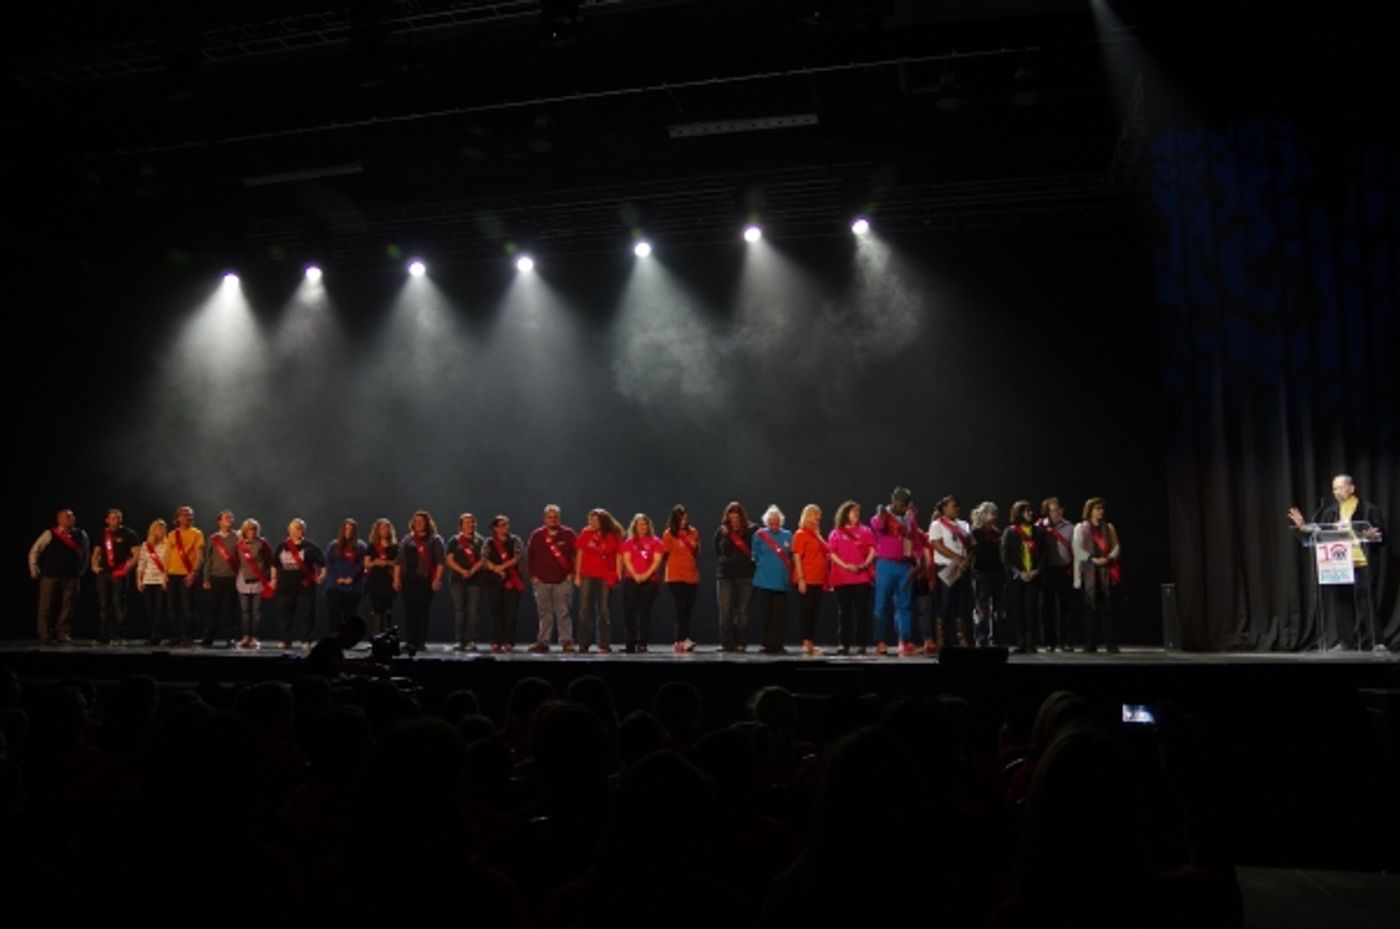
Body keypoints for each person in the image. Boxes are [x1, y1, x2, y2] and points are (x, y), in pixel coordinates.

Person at [1289, 473, 1386, 650]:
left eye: (1340, 488)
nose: (1336, 492)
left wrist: (1374, 535)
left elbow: (1383, 535)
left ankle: (1377, 642)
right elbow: (1320, 533)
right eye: (1334, 489)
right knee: (1341, 603)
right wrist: (1303, 526)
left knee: (1367, 603)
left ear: (1351, 488)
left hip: (1362, 562)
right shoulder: (1330, 512)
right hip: (1340, 562)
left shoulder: (1368, 509)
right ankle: (1346, 642)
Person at [871, 486, 926, 657]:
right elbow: (878, 526)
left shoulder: (909, 521)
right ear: (893, 500)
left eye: (905, 505)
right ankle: (880, 641)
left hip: (905, 567)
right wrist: (881, 516)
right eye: (900, 504)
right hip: (885, 565)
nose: (902, 508)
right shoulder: (882, 516)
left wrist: (918, 563)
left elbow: (917, 544)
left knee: (904, 606)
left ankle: (904, 641)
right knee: (881, 604)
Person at [28, 508, 90, 645]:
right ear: (59, 520)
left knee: (68, 606)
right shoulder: (49, 533)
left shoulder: (81, 534)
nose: (71, 519)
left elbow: (85, 555)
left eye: (72, 516)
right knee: (46, 606)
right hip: (50, 576)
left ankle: (63, 633)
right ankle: (45, 634)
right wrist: (34, 569)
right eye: (67, 516)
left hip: (72, 577)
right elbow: (35, 551)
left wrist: (80, 571)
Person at [527, 504, 578, 653]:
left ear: (559, 518)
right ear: (545, 519)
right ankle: (543, 642)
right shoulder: (537, 535)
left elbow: (576, 555)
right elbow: (530, 556)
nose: (553, 519)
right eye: (550, 517)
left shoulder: (568, 534)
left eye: (555, 517)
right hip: (541, 581)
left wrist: (572, 574)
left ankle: (567, 642)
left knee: (563, 613)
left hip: (563, 581)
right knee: (544, 613)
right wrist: (532, 575)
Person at [827, 499, 875, 655]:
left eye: (858, 511)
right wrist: (845, 565)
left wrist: (865, 564)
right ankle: (844, 644)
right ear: (845, 513)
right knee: (844, 612)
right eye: (853, 511)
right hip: (842, 578)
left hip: (862, 577)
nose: (856, 514)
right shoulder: (836, 533)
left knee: (862, 612)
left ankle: (861, 644)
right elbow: (831, 553)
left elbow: (872, 550)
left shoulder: (866, 531)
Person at [1073, 497, 1121, 653]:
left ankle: (1110, 643)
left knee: (1107, 609)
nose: (1101, 511)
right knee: (1089, 610)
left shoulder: (1109, 527)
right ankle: (1090, 643)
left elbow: (1116, 546)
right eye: (1098, 508)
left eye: (1102, 508)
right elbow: (1077, 548)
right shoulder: (1081, 527)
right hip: (1088, 572)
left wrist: (1109, 558)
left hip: (1105, 572)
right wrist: (1092, 559)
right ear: (1090, 510)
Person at [395, 510, 445, 655]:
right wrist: (396, 578)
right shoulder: (407, 539)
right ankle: (410, 641)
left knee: (422, 611)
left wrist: (437, 579)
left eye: (422, 521)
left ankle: (420, 642)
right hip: (408, 579)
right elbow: (399, 561)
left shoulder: (434, 539)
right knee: (409, 611)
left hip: (425, 579)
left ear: (427, 523)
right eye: (416, 521)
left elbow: (440, 562)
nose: (419, 523)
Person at [928, 495, 974, 651]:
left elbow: (971, 545)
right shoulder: (937, 524)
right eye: (954, 506)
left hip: (963, 568)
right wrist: (957, 558)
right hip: (946, 567)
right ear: (944, 508)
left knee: (962, 603)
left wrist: (966, 560)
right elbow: (938, 545)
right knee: (945, 603)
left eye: (958, 505)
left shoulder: (964, 525)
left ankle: (961, 638)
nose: (957, 508)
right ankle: (942, 639)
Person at [273, 518, 326, 649]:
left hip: (305, 586)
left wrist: (321, 576)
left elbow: (322, 564)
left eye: (300, 528)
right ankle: (286, 640)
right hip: (285, 586)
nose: (298, 531)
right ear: (289, 530)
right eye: (295, 529)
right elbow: (274, 564)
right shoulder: (282, 546)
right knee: (285, 614)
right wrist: (273, 579)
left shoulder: (310, 547)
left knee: (306, 614)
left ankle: (306, 640)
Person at [1003, 500, 1048, 654]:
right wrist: (1018, 572)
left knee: (1031, 609)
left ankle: (1031, 642)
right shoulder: (1010, 532)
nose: (1030, 513)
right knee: (1017, 609)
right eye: (1026, 511)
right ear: (1019, 513)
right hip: (1017, 578)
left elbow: (1044, 554)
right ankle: (1021, 641)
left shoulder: (1038, 532)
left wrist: (1037, 571)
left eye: (1031, 510)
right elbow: (1005, 557)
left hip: (1033, 576)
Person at [575, 508, 622, 653]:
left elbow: (619, 555)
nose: (593, 523)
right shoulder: (585, 533)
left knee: (604, 611)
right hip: (588, 574)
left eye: (596, 520)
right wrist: (577, 575)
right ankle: (583, 644)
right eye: (591, 520)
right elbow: (580, 554)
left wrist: (618, 574)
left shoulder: (613, 534)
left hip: (605, 575)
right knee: (584, 611)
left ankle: (604, 644)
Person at [90, 508, 138, 645]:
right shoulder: (101, 534)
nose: (115, 520)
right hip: (104, 573)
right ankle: (103, 636)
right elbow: (96, 553)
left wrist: (126, 569)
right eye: (112, 518)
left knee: (118, 604)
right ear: (107, 520)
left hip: (119, 573)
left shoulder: (129, 534)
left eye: (118, 518)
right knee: (104, 605)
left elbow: (136, 555)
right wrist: (94, 566)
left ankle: (117, 635)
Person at [714, 501, 757, 652]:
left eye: (737, 518)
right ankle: (726, 642)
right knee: (725, 610)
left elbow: (757, 551)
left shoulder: (751, 531)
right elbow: (717, 551)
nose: (734, 521)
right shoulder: (722, 532)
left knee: (742, 611)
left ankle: (741, 642)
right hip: (725, 575)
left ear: (742, 518)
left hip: (745, 575)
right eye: (731, 518)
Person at [752, 504, 794, 655]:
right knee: (766, 614)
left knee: (779, 615)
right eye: (771, 523)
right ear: (766, 522)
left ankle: (778, 644)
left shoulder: (788, 535)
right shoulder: (759, 535)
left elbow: (791, 555)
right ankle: (766, 643)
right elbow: (755, 555)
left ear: (781, 522)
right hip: (764, 580)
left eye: (776, 523)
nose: (774, 526)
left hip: (781, 580)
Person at [620, 513, 665, 653]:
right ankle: (630, 643)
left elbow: (657, 561)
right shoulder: (628, 542)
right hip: (631, 579)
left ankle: (643, 643)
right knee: (629, 612)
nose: (642, 527)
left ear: (648, 526)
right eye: (639, 524)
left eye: (644, 524)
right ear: (635, 526)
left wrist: (646, 575)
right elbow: (626, 560)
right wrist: (635, 575)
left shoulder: (656, 542)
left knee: (645, 612)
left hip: (649, 581)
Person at [1037, 497, 1077, 652]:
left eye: (1059, 509)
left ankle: (1066, 641)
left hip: (1065, 569)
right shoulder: (1039, 527)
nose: (1057, 512)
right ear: (1047, 512)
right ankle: (1049, 642)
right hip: (1047, 571)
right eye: (1053, 510)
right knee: (1047, 607)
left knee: (1066, 607)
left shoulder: (1070, 526)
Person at [481, 515, 525, 653]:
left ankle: (509, 641)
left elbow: (518, 557)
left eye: (507, 524)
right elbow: (484, 559)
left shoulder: (515, 540)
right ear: (495, 528)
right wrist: (495, 569)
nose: (506, 527)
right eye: (502, 525)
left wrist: (502, 567)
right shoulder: (488, 542)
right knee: (495, 612)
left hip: (511, 580)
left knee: (510, 612)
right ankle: (496, 641)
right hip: (493, 581)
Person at [662, 504, 701, 653]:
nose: (684, 521)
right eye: (680, 519)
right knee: (681, 608)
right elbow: (665, 554)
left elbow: (696, 551)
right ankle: (681, 640)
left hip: (691, 575)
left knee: (688, 609)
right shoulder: (668, 534)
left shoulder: (693, 532)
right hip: (675, 576)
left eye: (685, 518)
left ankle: (684, 639)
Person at [445, 513, 487, 652]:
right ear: (461, 525)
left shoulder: (480, 540)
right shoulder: (454, 540)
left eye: (472, 522)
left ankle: (471, 640)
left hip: (476, 580)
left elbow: (483, 559)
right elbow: (449, 559)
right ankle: (459, 640)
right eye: (467, 522)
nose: (471, 524)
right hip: (457, 580)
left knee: (473, 611)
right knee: (460, 610)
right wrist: (462, 571)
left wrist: (472, 571)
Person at [792, 504, 830, 656]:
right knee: (806, 612)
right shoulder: (801, 534)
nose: (819, 517)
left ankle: (811, 642)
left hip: (818, 579)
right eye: (816, 514)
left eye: (819, 514)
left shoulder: (817, 535)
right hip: (806, 579)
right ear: (808, 516)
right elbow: (797, 557)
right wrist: (801, 578)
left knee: (814, 612)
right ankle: (806, 642)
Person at [200, 509, 240, 648]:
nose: (230, 520)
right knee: (213, 609)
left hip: (232, 577)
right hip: (216, 577)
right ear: (219, 521)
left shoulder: (237, 537)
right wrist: (206, 578)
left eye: (231, 517)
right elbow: (208, 559)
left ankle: (230, 637)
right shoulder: (213, 538)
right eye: (226, 518)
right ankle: (209, 637)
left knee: (230, 609)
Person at [165, 506, 204, 646]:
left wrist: (194, 573)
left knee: (188, 608)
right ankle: (175, 636)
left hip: (187, 574)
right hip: (172, 574)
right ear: (178, 518)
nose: (188, 517)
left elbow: (199, 556)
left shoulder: (197, 533)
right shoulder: (172, 534)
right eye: (184, 514)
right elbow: (167, 555)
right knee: (172, 608)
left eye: (190, 515)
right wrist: (164, 574)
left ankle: (188, 636)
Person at [969, 501, 1005, 648]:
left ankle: (996, 638)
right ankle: (981, 638)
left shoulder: (997, 532)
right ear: (984, 515)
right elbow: (974, 553)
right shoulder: (975, 532)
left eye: (996, 514)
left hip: (996, 573)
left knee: (998, 609)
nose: (995, 517)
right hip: (981, 573)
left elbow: (1000, 556)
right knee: (982, 608)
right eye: (992, 514)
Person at [234, 518, 273, 649]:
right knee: (245, 611)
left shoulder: (262, 543)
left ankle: (255, 637)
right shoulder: (239, 544)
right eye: (249, 529)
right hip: (243, 580)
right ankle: (245, 636)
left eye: (254, 529)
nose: (252, 531)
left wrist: (269, 578)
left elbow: (269, 560)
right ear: (245, 530)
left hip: (258, 580)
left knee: (256, 612)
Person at [324, 518, 366, 633]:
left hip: (353, 587)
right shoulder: (333, 545)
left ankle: (348, 639)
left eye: (351, 529)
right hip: (334, 586)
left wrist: (351, 578)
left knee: (350, 616)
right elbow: (328, 563)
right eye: (346, 529)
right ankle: (335, 638)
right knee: (334, 615)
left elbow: (362, 565)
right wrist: (337, 578)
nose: (348, 532)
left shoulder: (361, 546)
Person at [134, 519, 171, 645]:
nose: (162, 531)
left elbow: (168, 563)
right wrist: (139, 580)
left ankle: (158, 634)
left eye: (164, 528)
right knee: (150, 610)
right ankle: (152, 633)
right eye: (159, 528)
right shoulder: (146, 545)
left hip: (160, 581)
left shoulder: (167, 544)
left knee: (159, 609)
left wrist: (165, 577)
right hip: (147, 580)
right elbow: (141, 564)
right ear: (153, 530)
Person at [364, 518, 399, 636]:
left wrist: (387, 563)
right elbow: (366, 564)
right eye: (382, 527)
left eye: (387, 527)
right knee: (376, 609)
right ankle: (377, 636)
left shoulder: (395, 547)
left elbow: (398, 564)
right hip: (375, 580)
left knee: (387, 608)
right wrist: (375, 563)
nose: (385, 530)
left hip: (389, 580)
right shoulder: (372, 546)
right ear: (377, 530)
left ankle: (388, 635)